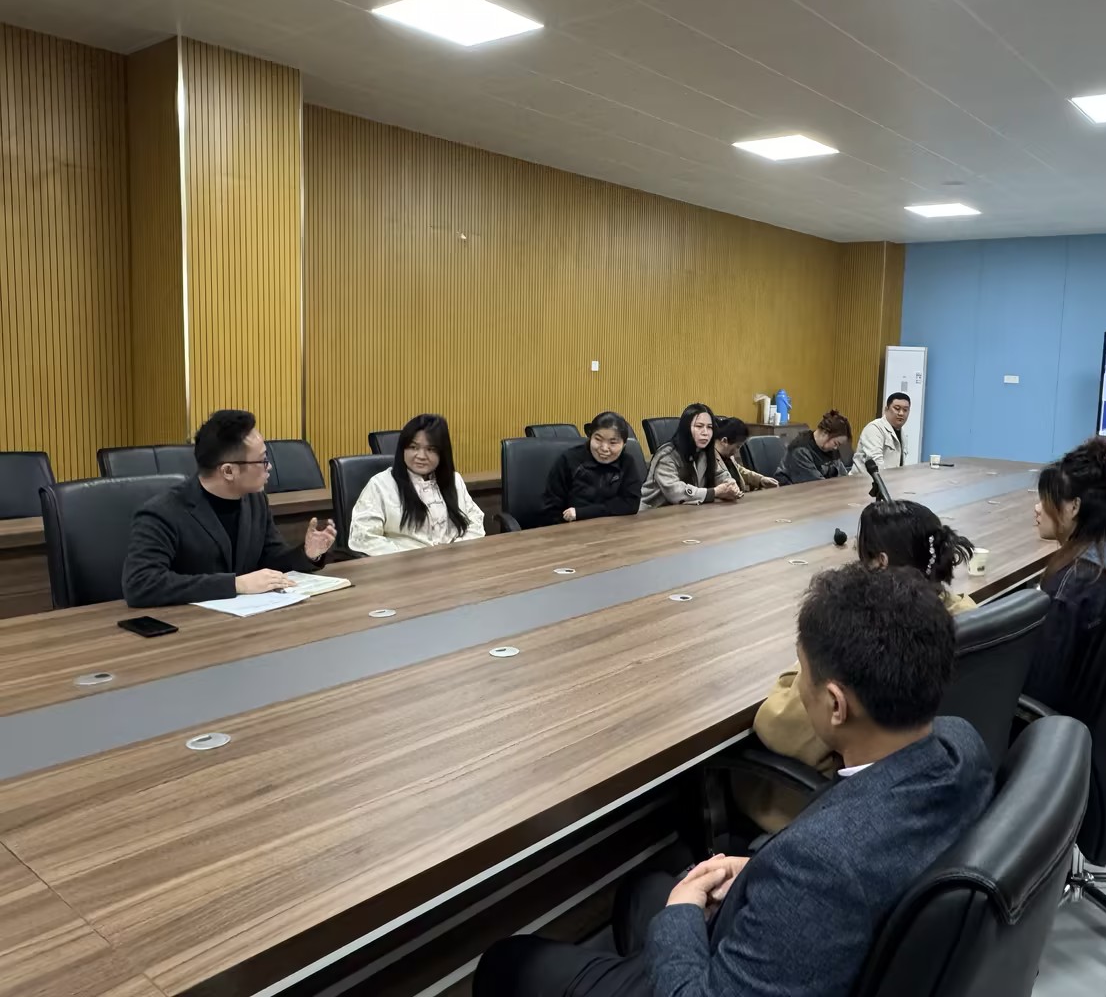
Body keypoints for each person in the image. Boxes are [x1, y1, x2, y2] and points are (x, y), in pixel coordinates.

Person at [471, 564, 994, 997]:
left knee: (508, 961)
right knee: (644, 887)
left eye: (803, 673)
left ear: (836, 705)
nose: (798, 685)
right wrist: (762, 872)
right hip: (811, 932)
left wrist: (686, 914)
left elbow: (824, 868)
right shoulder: (961, 743)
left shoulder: (820, 868)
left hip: (732, 972)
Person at [745, 500, 977, 832]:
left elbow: (776, 725)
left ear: (881, 563)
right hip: (938, 779)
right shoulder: (965, 614)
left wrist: (808, 659)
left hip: (852, 811)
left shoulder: (871, 648)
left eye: (861, 556)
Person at [122, 409, 335, 607]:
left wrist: (308, 553)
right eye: (262, 460)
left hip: (246, 618)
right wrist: (236, 584)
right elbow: (141, 583)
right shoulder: (162, 513)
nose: (269, 466)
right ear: (228, 471)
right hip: (189, 624)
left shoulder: (255, 500)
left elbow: (272, 558)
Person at [1025, 437, 1106, 715]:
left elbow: (1040, 688)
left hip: (1055, 727)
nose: (1037, 508)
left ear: (1074, 507)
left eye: (1046, 499)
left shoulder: (1075, 581)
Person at [348, 414, 486, 555]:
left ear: (442, 453)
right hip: (403, 564)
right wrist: (409, 557)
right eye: (413, 447)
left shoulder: (454, 480)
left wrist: (457, 549)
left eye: (430, 449)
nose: (421, 456)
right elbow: (364, 537)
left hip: (455, 561)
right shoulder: (380, 485)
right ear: (403, 449)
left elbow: (475, 521)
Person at [542, 412, 643, 524]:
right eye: (598, 439)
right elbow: (551, 508)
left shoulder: (627, 462)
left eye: (613, 443)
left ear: (624, 445)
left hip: (613, 527)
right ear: (590, 438)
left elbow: (631, 504)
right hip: (570, 527)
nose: (604, 448)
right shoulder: (569, 460)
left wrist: (582, 513)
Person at [640, 403, 741, 509]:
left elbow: (719, 474)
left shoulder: (705, 451)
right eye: (699, 426)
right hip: (651, 512)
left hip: (685, 511)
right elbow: (675, 492)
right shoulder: (666, 455)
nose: (705, 432)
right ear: (686, 428)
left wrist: (730, 484)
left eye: (709, 427)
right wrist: (715, 492)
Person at [775, 410, 852, 485]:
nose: (835, 448)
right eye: (835, 443)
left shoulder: (830, 450)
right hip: (791, 490)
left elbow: (844, 477)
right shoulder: (800, 451)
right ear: (825, 432)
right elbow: (816, 485)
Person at [713, 418, 778, 493]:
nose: (737, 452)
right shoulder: (709, 459)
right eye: (737, 447)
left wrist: (760, 479)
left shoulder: (727, 454)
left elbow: (739, 470)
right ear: (724, 441)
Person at [851, 392, 910, 475]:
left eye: (905, 410)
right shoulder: (874, 428)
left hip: (890, 480)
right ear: (886, 409)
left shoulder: (902, 434)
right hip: (864, 480)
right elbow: (876, 462)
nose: (901, 413)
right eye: (897, 408)